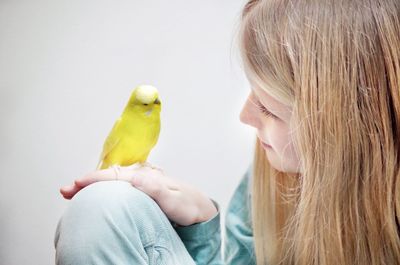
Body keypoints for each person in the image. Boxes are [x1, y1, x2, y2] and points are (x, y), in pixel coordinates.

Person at [54, 0, 400, 264]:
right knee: (102, 206)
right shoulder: (266, 178)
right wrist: (199, 225)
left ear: (347, 127)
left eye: (269, 109)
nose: (245, 117)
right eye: (252, 94)